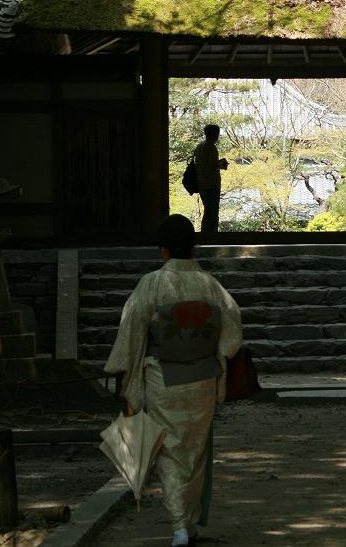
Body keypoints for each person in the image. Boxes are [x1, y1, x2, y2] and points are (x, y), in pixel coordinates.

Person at [105, 214, 243, 547]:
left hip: (162, 376)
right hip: (202, 377)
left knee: (169, 450)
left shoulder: (151, 283)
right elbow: (232, 327)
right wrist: (215, 350)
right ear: (193, 247)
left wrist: (123, 370)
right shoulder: (210, 285)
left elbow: (132, 328)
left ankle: (180, 526)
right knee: (194, 451)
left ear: (163, 250)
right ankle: (189, 524)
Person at [193, 124, 228, 233]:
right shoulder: (211, 147)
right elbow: (212, 166)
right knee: (212, 214)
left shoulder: (200, 146)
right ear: (216, 134)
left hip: (202, 183)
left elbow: (201, 164)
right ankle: (211, 236)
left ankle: (205, 236)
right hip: (211, 185)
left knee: (208, 212)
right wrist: (222, 164)